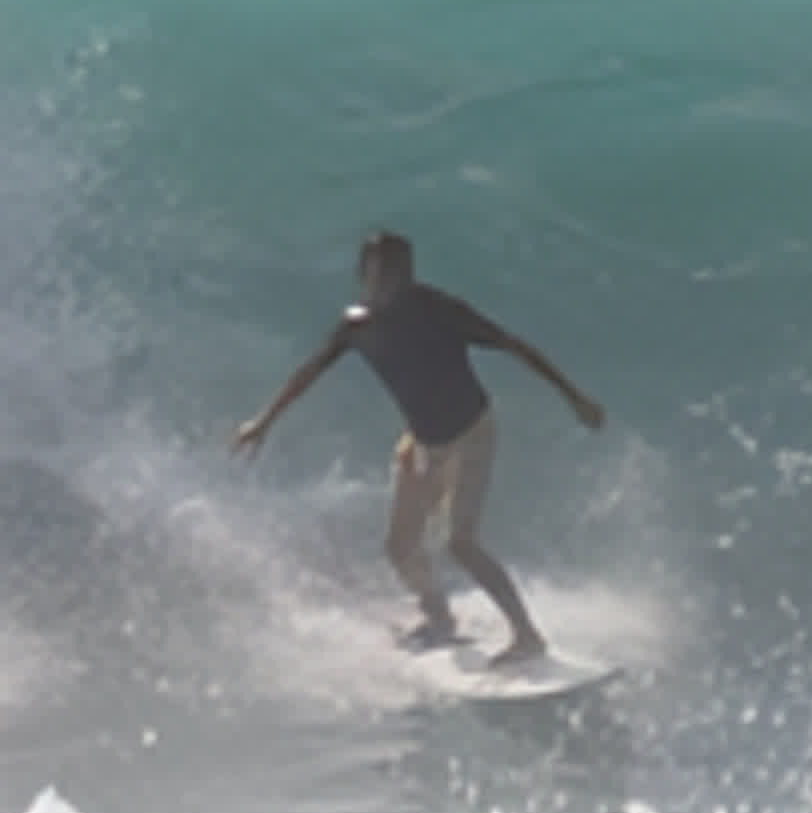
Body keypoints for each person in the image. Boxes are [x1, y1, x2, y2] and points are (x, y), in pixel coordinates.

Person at [234, 230, 605, 664]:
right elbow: (309, 372)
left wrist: (573, 396)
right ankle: (440, 618)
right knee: (400, 546)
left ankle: (527, 636)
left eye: (399, 271)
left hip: (471, 434)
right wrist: (264, 421)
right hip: (423, 442)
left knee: (459, 543)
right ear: (363, 275)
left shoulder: (440, 310)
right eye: (381, 272)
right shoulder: (356, 327)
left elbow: (514, 346)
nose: (392, 280)